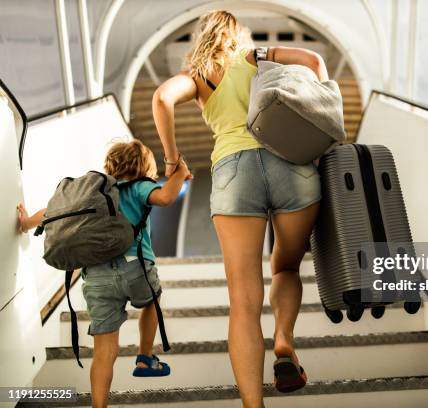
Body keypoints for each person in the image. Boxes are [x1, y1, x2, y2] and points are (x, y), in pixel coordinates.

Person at [152, 10, 325, 407]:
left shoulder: (197, 76)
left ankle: (253, 404)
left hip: (233, 174)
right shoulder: (258, 55)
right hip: (291, 164)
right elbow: (315, 63)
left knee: (243, 301)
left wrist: (172, 161)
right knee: (284, 265)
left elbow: (162, 98)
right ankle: (284, 342)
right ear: (237, 34)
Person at [17, 140, 192, 408]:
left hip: (97, 280)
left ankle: (99, 406)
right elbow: (166, 197)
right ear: (144, 167)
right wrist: (180, 173)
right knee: (153, 301)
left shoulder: (94, 194)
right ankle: (145, 357)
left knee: (103, 352)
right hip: (136, 268)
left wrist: (27, 222)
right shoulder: (138, 187)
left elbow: (50, 214)